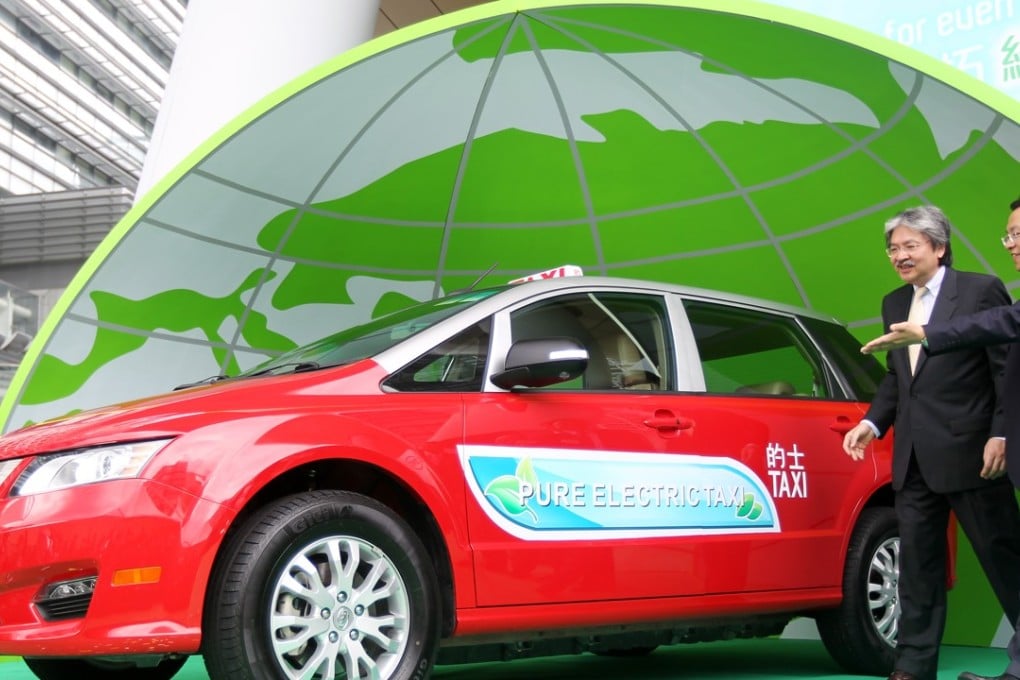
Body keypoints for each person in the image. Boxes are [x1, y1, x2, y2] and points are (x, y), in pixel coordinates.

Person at [841, 205, 1020, 680]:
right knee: (917, 566)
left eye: (909, 246)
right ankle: (913, 666)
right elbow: (899, 378)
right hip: (914, 458)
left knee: (1004, 559)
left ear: (939, 248)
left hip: (974, 453)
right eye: (893, 248)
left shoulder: (981, 291)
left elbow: (1006, 370)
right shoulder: (893, 303)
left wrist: (1000, 432)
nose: (899, 255)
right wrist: (873, 423)